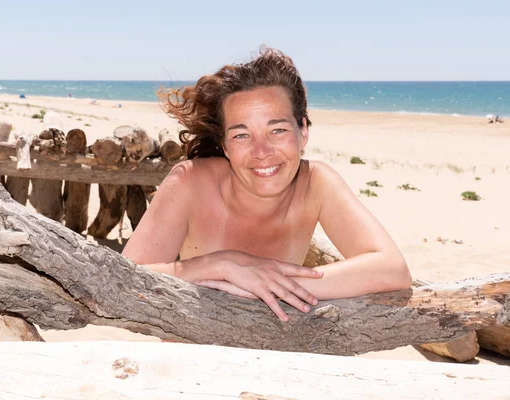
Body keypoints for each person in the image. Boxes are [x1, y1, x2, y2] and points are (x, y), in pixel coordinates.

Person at [122, 47, 411, 322]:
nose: (262, 152)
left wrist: (268, 283)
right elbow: (123, 280)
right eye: (241, 135)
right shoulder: (189, 182)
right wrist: (221, 265)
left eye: (278, 130)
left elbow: (392, 269)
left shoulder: (316, 183)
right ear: (223, 144)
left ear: (303, 132)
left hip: (276, 363)